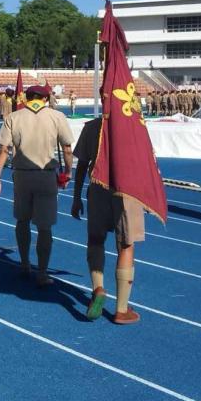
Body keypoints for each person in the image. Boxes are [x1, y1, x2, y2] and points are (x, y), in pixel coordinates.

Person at [0, 85, 73, 286]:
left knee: (22, 221)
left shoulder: (14, 117)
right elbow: (67, 148)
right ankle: (42, 272)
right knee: (44, 227)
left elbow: (4, 150)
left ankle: (25, 264)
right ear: (44, 99)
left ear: (26, 98)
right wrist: (68, 172)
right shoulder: (56, 116)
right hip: (46, 175)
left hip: (22, 175)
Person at [71, 117, 144, 324]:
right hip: (126, 190)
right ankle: (121, 309)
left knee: (96, 240)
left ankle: (98, 288)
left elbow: (82, 165)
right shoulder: (135, 125)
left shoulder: (92, 127)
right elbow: (145, 162)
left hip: (98, 188)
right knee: (126, 245)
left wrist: (76, 197)